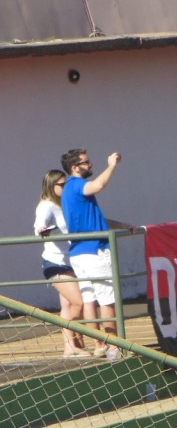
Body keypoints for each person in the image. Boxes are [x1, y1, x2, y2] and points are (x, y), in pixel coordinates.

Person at [60, 148, 137, 359]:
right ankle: (113, 347)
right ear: (75, 168)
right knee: (106, 300)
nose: (91, 165)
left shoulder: (69, 190)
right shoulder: (78, 186)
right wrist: (112, 165)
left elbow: (94, 221)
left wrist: (121, 224)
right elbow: (99, 185)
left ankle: (100, 344)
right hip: (94, 251)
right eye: (86, 163)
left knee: (89, 300)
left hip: (80, 253)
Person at [34, 169, 93, 357]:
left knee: (68, 307)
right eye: (62, 185)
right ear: (52, 186)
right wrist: (43, 229)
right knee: (80, 304)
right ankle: (71, 341)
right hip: (55, 263)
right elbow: (38, 226)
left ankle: (72, 346)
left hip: (72, 261)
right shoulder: (47, 205)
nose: (65, 187)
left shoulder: (64, 204)